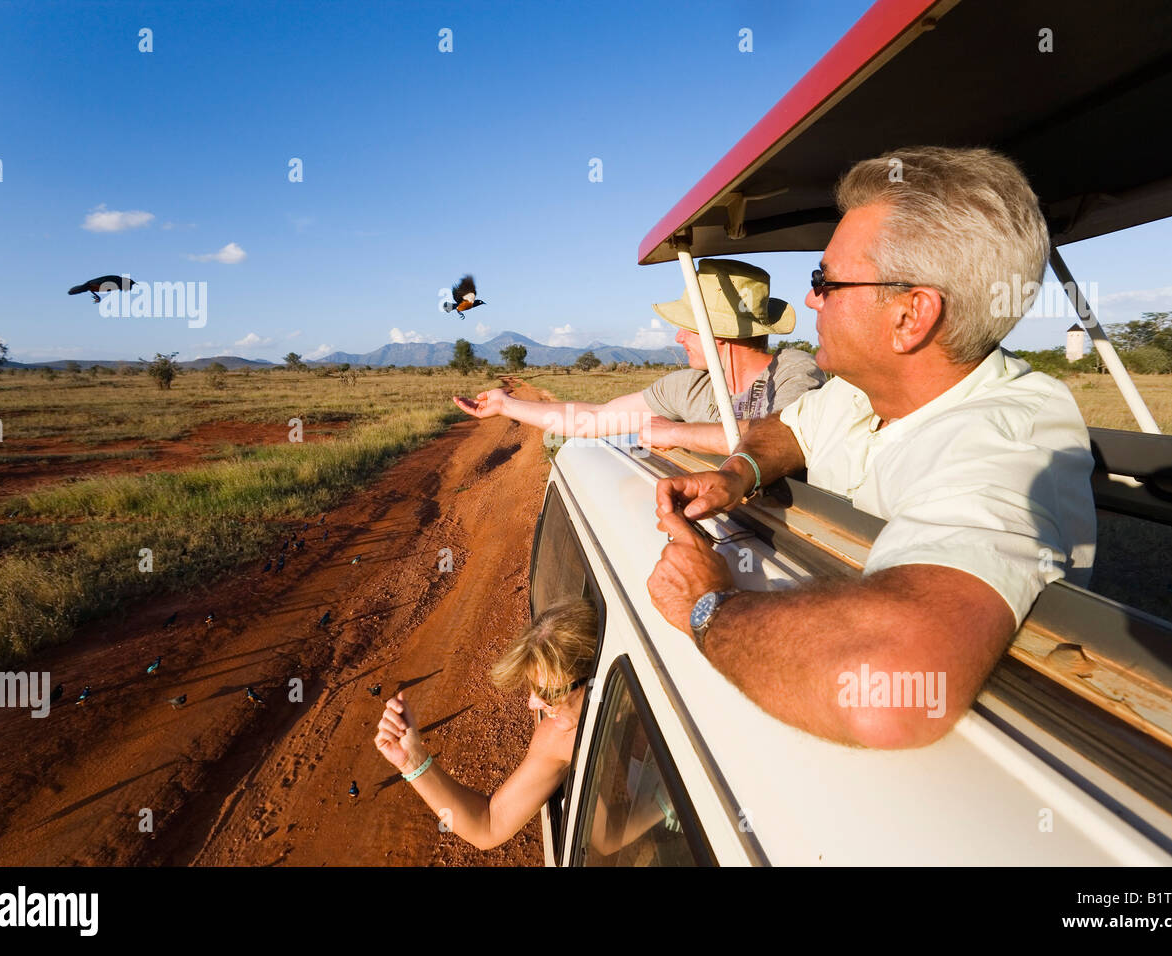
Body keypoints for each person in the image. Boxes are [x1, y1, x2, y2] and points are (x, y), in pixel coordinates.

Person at [646, 146, 1097, 750]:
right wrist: (739, 472)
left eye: (824, 282)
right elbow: (790, 427)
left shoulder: (1007, 446)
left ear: (911, 316)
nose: (811, 301)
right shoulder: (866, 390)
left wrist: (707, 606)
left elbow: (888, 691)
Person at [452, 259, 825, 456]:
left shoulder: (792, 370)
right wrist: (506, 405)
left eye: (688, 326)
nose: (678, 336)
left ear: (723, 334)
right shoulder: (690, 387)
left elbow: (784, 437)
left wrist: (677, 433)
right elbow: (593, 419)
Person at [373, 600, 595, 851]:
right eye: (532, 688)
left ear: (593, 681)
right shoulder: (558, 738)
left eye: (548, 693)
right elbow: (489, 823)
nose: (532, 704)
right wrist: (412, 761)